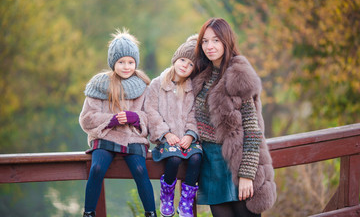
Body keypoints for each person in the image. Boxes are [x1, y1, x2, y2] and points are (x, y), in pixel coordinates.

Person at [192, 18, 277, 217]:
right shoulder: (201, 75)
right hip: (211, 165)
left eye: (215, 40)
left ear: (226, 41)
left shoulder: (238, 75)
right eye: (204, 41)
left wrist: (246, 175)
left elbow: (253, 130)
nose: (209, 46)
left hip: (237, 164)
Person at [79, 28, 157, 217]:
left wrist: (136, 118)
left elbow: (151, 116)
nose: (126, 66)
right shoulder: (100, 83)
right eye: (121, 62)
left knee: (140, 169)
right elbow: (86, 118)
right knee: (97, 168)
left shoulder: (144, 85)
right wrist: (110, 120)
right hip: (106, 136)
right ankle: (89, 213)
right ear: (113, 62)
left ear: (136, 63)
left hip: (132, 138)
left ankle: (151, 213)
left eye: (130, 62)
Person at [144, 35, 202, 217]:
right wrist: (166, 134)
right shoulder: (157, 84)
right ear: (176, 59)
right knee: (174, 159)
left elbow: (195, 114)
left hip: (186, 139)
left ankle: (186, 201)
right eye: (183, 60)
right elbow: (150, 111)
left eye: (190, 64)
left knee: (196, 158)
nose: (185, 65)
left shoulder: (192, 88)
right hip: (166, 139)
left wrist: (190, 135)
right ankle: (167, 196)